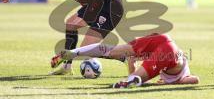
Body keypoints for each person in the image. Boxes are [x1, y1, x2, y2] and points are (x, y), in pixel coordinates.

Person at [40, 0, 124, 75]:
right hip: (97, 4)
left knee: (86, 50)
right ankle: (67, 67)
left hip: (110, 8)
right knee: (70, 25)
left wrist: (84, 19)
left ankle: (125, 57)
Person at [51, 33, 199, 88]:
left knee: (112, 50)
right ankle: (129, 81)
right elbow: (195, 80)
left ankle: (73, 53)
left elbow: (134, 61)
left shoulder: (166, 70)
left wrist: (131, 61)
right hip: (170, 54)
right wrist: (176, 82)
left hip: (162, 39)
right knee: (136, 79)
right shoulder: (180, 73)